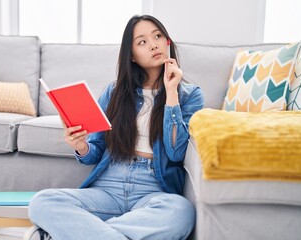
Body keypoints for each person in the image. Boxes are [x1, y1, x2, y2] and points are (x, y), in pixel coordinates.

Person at [24, 14, 204, 240]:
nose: (153, 44)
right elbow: (95, 153)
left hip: (153, 190)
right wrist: (81, 146)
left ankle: (79, 233)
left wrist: (171, 94)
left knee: (182, 212)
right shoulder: (114, 93)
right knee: (42, 202)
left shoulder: (190, 95)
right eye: (142, 42)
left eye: (158, 36)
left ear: (167, 42)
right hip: (109, 186)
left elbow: (176, 151)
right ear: (132, 56)